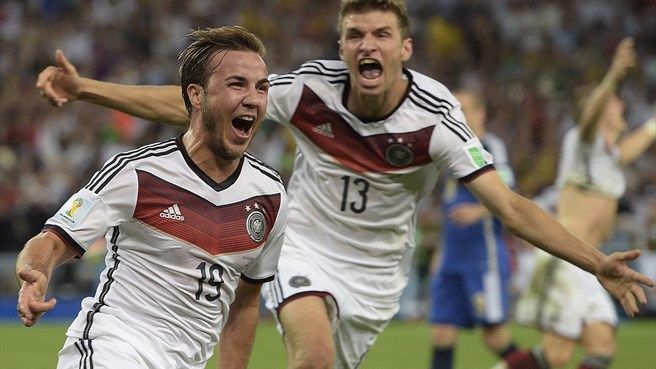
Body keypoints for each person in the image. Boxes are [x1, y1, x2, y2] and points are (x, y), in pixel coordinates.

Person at [35, 2, 654, 368]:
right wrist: (90, 88)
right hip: (301, 244)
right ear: (341, 46)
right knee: (314, 358)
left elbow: (512, 208)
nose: (366, 44)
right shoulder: (309, 90)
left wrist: (597, 262)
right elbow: (197, 107)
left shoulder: (435, 122)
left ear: (404, 48)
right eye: (355, 34)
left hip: (378, 275)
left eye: (381, 34)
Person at [18, 26, 288, 369]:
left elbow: (246, 302)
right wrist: (36, 270)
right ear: (196, 95)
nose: (253, 97)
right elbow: (52, 239)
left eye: (261, 88)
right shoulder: (137, 173)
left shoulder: (270, 196)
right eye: (237, 84)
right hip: (112, 348)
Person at [500, 37, 656, 369]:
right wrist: (614, 74)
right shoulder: (582, 141)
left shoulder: (607, 156)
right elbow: (591, 121)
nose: (621, 105)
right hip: (568, 261)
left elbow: (633, 147)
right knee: (555, 356)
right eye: (614, 101)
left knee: (602, 346)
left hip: (594, 266)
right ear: (598, 110)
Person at [429, 90, 517, 369]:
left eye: (463, 108)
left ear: (480, 114)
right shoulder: (447, 151)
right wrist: (441, 253)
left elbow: (509, 190)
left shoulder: (491, 144)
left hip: (482, 256)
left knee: (493, 335)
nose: (455, 115)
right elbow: (450, 210)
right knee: (442, 332)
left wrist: (478, 211)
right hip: (452, 258)